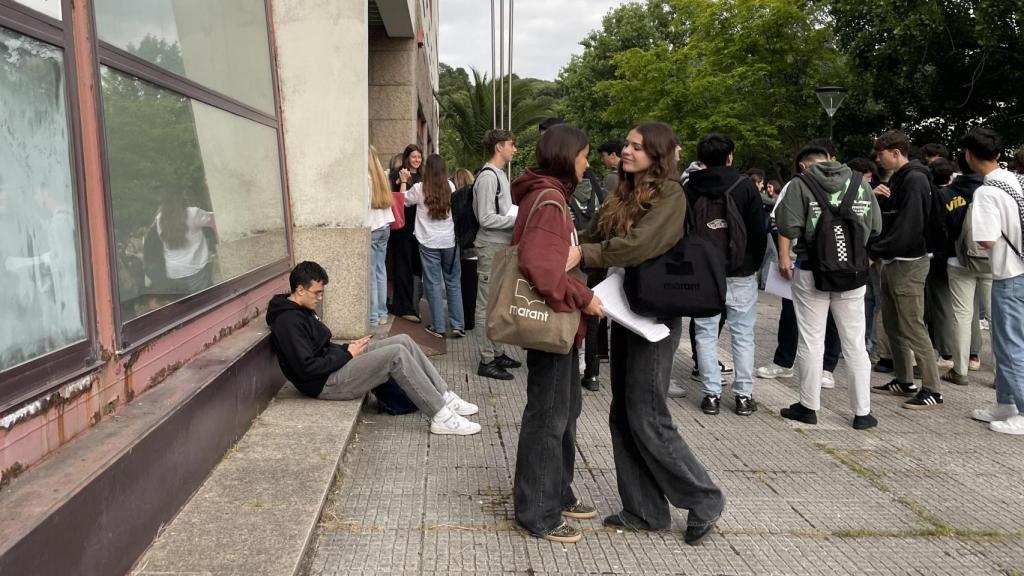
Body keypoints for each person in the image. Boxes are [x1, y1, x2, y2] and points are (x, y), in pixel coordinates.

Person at [576, 121, 725, 546]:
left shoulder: (671, 194)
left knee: (647, 412)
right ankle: (644, 509)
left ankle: (705, 499)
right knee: (623, 411)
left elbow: (640, 246)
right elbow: (594, 233)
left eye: (638, 147)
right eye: (627, 144)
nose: (627, 151)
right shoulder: (623, 192)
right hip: (625, 308)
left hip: (656, 313)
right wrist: (560, 243)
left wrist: (583, 252)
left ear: (657, 154)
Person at [511, 124, 604, 544]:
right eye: (584, 155)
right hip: (554, 319)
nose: (588, 163)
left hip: (560, 321)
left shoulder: (549, 194)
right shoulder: (550, 199)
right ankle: (538, 511)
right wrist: (583, 297)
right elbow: (544, 269)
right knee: (548, 417)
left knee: (564, 411)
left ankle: (557, 493)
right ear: (569, 157)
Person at [267, 261, 481, 435]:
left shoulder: (300, 309)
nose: (320, 298)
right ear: (300, 289)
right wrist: (348, 355)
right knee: (395, 355)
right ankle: (441, 416)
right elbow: (307, 368)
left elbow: (319, 347)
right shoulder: (288, 322)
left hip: (333, 367)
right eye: (317, 293)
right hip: (325, 383)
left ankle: (443, 395)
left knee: (403, 340)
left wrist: (346, 348)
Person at [775, 145, 881, 429]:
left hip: (812, 270)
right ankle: (863, 413)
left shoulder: (800, 184)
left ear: (804, 166)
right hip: (853, 272)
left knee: (811, 339)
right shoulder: (859, 182)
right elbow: (876, 227)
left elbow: (787, 226)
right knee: (855, 342)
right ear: (832, 160)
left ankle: (808, 407)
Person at [685, 133, 766, 416]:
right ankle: (743, 395)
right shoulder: (745, 185)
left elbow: (684, 230)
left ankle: (711, 395)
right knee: (742, 334)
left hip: (704, 271)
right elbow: (759, 230)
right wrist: (752, 264)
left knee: (706, 333)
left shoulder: (690, 187)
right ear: (730, 156)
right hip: (741, 270)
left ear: (701, 158)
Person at [869, 130, 943, 409]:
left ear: (896, 153)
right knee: (893, 323)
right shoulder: (901, 179)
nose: (878, 160)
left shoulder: (913, 179)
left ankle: (933, 389)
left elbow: (909, 227)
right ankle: (903, 379)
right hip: (894, 260)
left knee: (912, 325)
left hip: (908, 262)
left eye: (881, 154)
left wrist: (875, 251)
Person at [964, 128, 1024, 434]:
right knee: (1007, 343)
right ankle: (1006, 404)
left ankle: (1021, 411)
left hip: (1008, 274)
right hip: (1021, 270)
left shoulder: (986, 192)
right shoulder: (1015, 180)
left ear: (969, 156)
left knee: (1011, 345)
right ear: (999, 154)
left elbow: (985, 240)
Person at [474, 129, 522, 380]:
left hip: (500, 247)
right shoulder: (488, 177)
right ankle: (486, 359)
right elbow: (485, 218)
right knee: (485, 305)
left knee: (497, 303)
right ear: (499, 147)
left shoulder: (500, 175)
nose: (515, 149)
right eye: (512, 145)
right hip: (490, 246)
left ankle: (496, 351)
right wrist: (515, 220)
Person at [404, 154, 464, 338]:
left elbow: (404, 201)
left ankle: (438, 327)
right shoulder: (451, 186)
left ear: (427, 169)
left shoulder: (419, 188)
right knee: (453, 282)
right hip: (449, 241)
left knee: (433, 284)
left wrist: (403, 181)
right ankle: (457, 325)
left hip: (428, 241)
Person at [942, 151, 989, 386]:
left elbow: (943, 228)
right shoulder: (992, 190)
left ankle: (959, 369)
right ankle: (1002, 375)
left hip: (957, 259)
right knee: (996, 316)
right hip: (991, 259)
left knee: (961, 314)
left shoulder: (949, 193)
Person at [155, 186, 216, 295]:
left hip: (174, 271)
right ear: (181, 198)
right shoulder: (193, 213)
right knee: (204, 300)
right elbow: (216, 218)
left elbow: (162, 239)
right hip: (196, 267)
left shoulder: (160, 219)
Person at [388, 144, 424, 323]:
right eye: (414, 157)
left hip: (419, 230)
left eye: (419, 157)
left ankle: (412, 304)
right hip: (402, 229)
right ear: (407, 158)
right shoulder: (397, 175)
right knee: (403, 268)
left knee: (416, 269)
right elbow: (397, 202)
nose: (417, 160)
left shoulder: (423, 177)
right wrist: (402, 181)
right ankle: (402, 306)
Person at [367, 145, 394, 327]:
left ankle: (374, 316)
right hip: (385, 226)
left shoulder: (365, 178)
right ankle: (382, 312)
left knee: (372, 273)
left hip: (372, 227)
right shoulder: (383, 176)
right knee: (380, 270)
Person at [453, 168, 478, 330]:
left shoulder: (455, 198)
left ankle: (465, 320)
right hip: (478, 246)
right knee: (474, 288)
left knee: (463, 286)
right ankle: (472, 319)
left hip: (462, 248)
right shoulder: (477, 197)